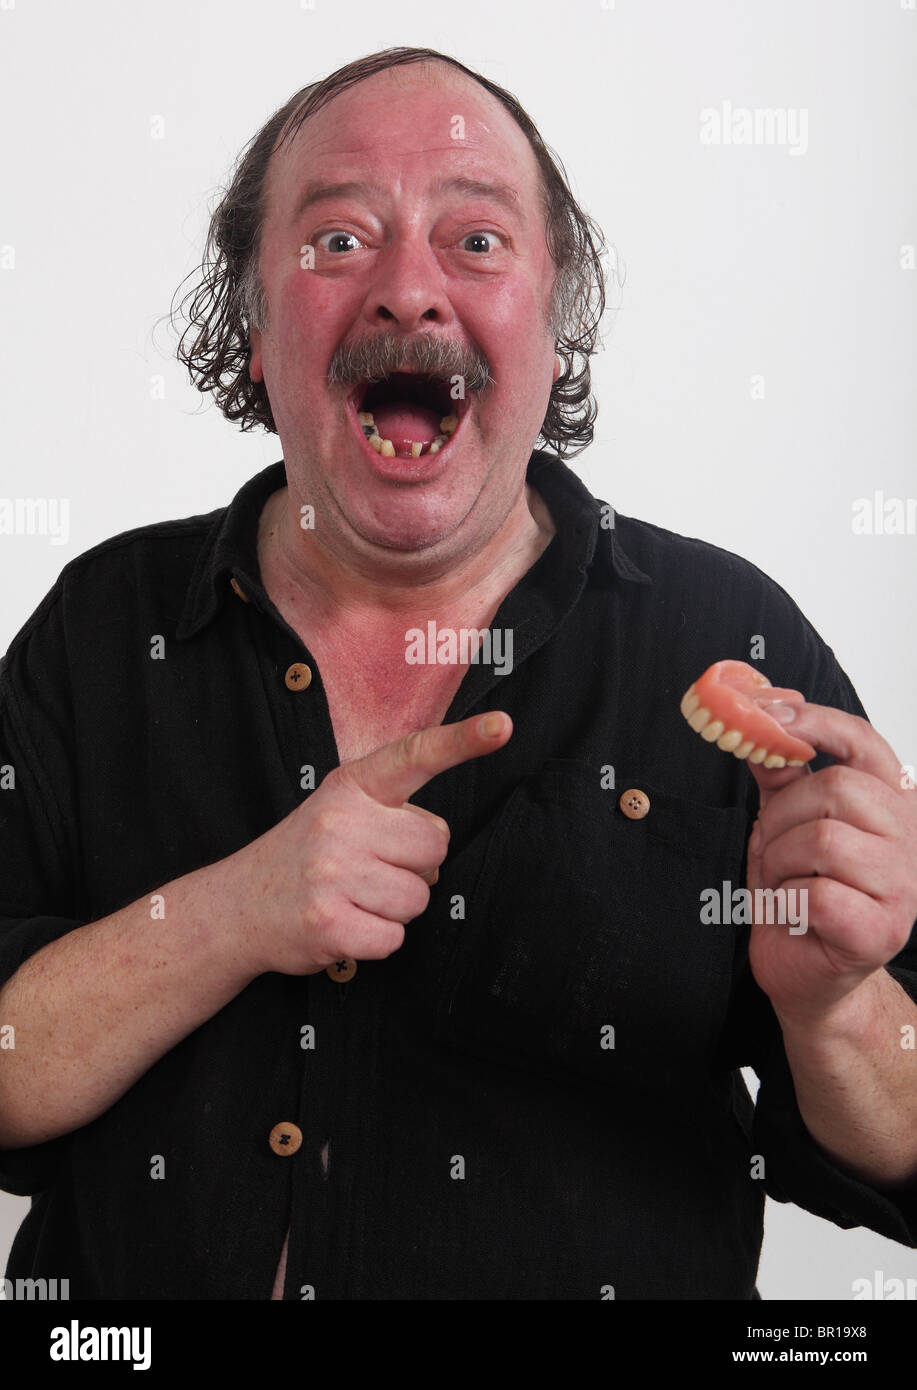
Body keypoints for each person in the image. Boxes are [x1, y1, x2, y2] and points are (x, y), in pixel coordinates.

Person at [0, 46, 915, 1301]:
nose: (407, 291)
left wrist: (838, 1007)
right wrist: (232, 913)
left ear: (552, 325)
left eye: (475, 241)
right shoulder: (104, 628)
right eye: (335, 241)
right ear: (256, 334)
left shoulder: (726, 638)